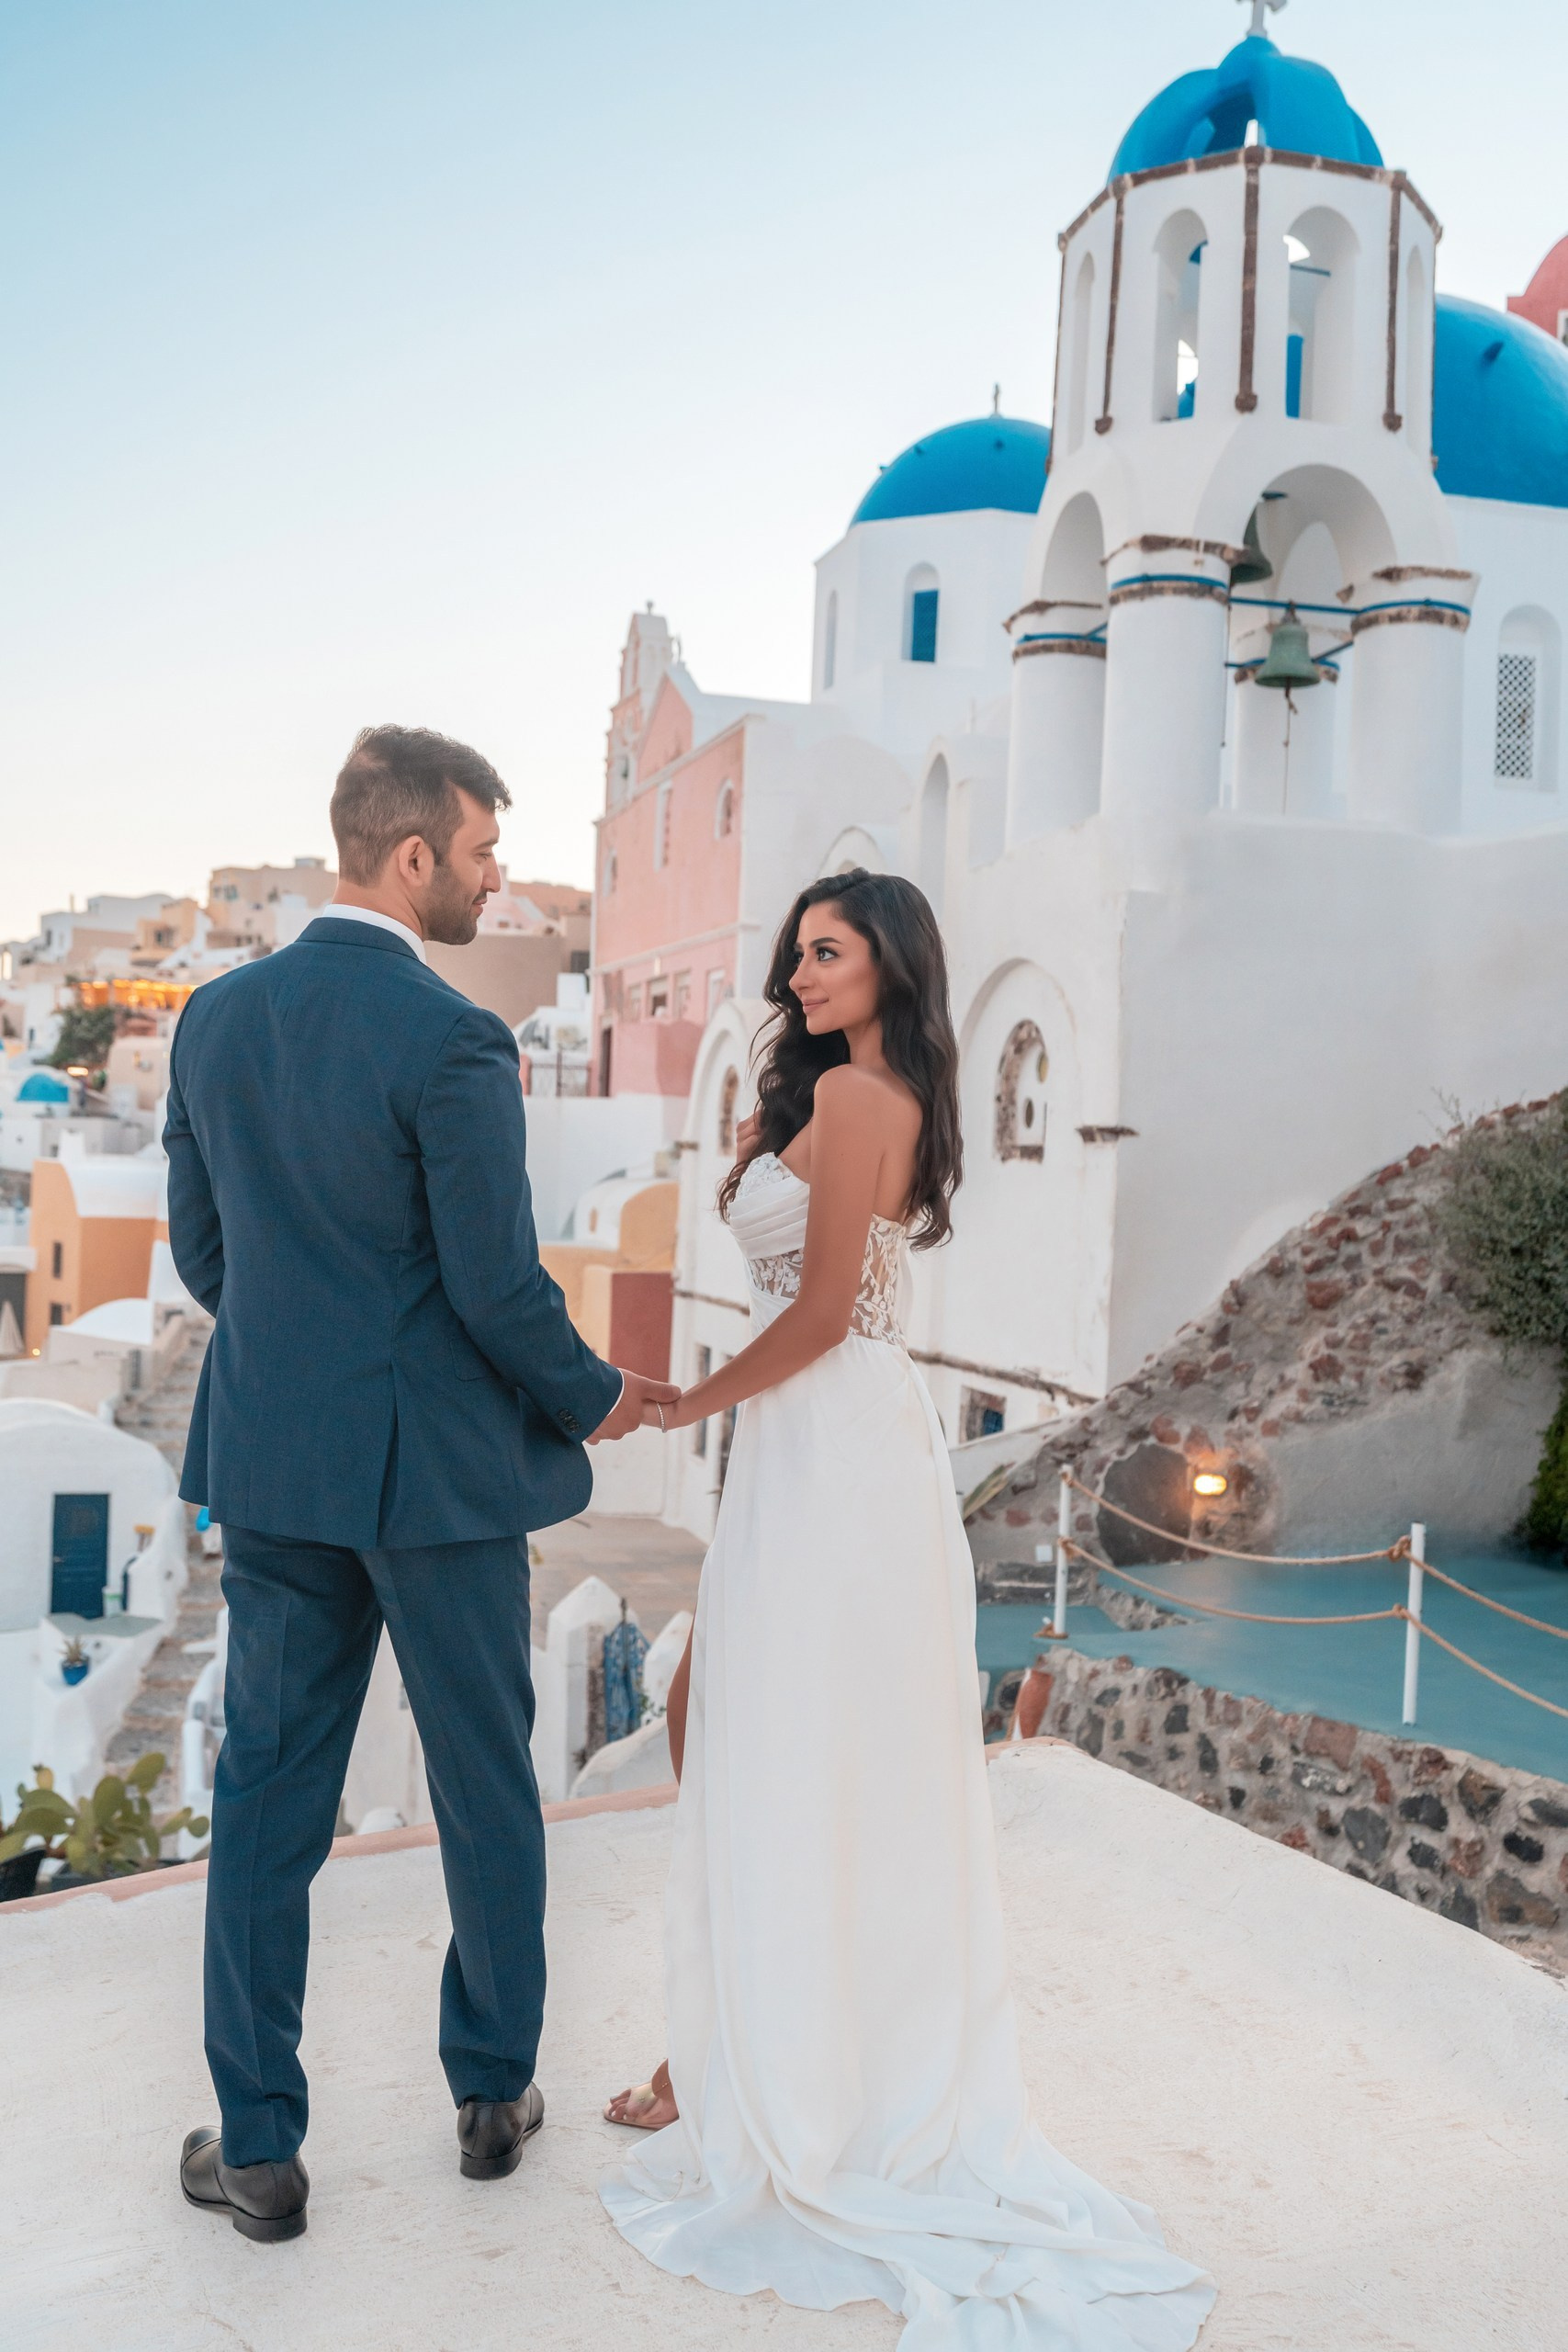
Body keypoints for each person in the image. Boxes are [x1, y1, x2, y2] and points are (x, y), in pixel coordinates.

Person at [599, 871, 1215, 2346]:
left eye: (832, 950)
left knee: (766, 1730)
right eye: (796, 951)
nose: (803, 972)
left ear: (891, 964)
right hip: (810, 1439)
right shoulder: (829, 1093)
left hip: (830, 1435)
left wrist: (688, 1399)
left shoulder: (871, 1101)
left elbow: (818, 1318)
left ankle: (749, 2067)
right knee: (723, 1715)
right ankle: (733, 2044)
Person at [166, 724, 676, 2243]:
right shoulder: (456, 1041)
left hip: (274, 1470)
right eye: (477, 853)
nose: (492, 879)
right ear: (409, 860)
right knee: (481, 1791)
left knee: (266, 1800)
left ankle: (257, 2150)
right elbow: (499, 1290)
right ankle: (491, 2097)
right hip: (440, 1491)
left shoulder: (213, 1022)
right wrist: (596, 1401)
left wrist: (310, 1355)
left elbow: (210, 1258)